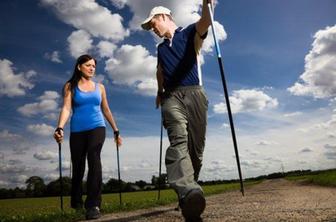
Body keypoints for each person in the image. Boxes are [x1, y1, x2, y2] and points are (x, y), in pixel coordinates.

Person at [141, 1, 212, 221]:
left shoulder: (189, 32)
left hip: (195, 94)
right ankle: (189, 191)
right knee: (178, 142)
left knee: (195, 152)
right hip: (171, 97)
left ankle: (189, 190)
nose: (152, 29)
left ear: (162, 16)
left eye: (152, 24)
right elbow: (160, 70)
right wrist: (159, 91)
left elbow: (205, 21)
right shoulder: (161, 48)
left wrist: (206, 4)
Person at [53, 54, 122, 220]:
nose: (92, 68)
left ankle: (93, 205)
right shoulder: (70, 86)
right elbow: (66, 108)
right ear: (79, 67)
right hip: (77, 130)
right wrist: (60, 127)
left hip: (97, 127)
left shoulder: (100, 87)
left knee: (94, 158)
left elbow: (106, 110)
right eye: (88, 65)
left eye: (94, 66)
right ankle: (76, 202)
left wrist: (116, 130)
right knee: (78, 167)